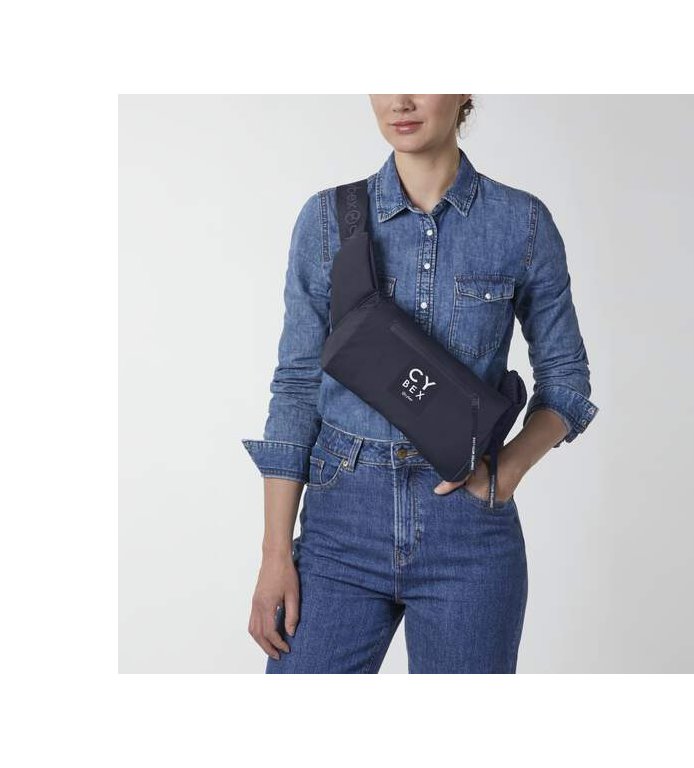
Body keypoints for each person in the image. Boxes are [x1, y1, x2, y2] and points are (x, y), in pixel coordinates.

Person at [241, 94, 599, 673]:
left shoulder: (521, 222)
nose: (400, 100)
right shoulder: (328, 219)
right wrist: (274, 553)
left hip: (467, 535)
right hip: (340, 525)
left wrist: (504, 474)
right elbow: (298, 387)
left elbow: (566, 379)